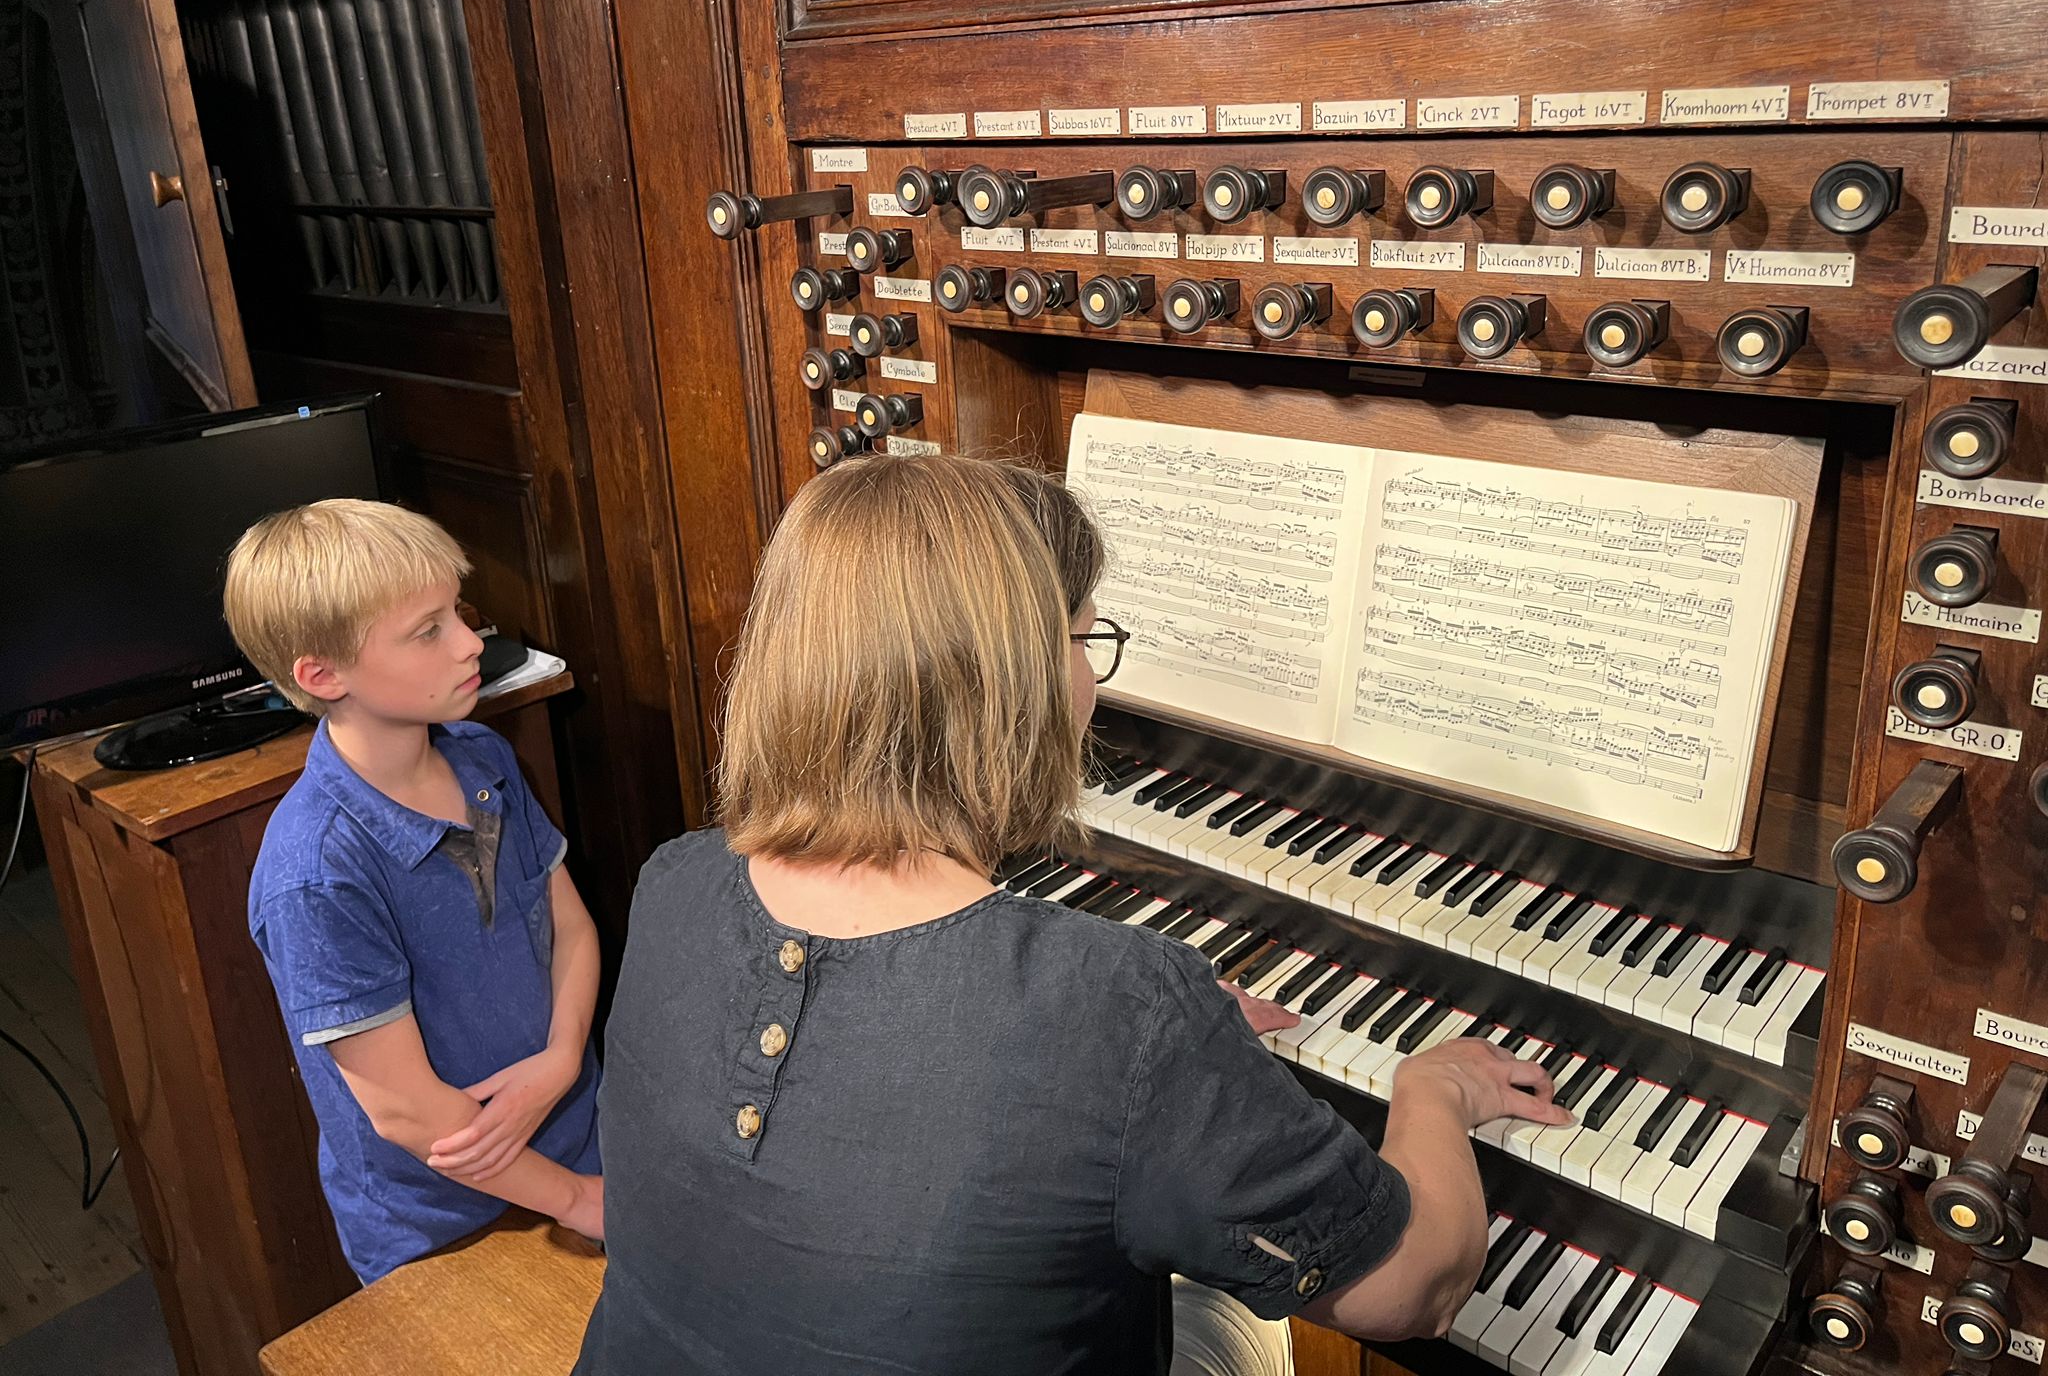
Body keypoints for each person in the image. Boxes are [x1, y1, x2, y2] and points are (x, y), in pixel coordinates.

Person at [575, 455, 1572, 1374]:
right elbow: (1413, 1290)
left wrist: (1141, 1063)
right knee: (1249, 1327)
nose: (1089, 676)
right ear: (1011, 675)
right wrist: (1432, 1093)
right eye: (1083, 637)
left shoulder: (677, 881)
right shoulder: (1118, 1007)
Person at [226, 499, 603, 1283]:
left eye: (458, 612)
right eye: (428, 631)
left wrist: (564, 1057)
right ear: (322, 675)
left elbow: (568, 924)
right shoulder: (315, 873)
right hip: (442, 1224)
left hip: (580, 1136)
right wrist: (573, 1199)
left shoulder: (481, 755)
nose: (471, 642)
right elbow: (405, 1111)